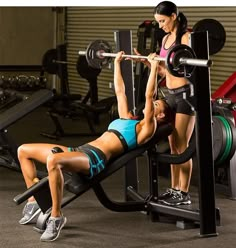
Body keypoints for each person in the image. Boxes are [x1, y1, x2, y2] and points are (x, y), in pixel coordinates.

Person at [17, 51, 172, 242]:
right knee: (23, 150)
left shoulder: (147, 129)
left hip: (96, 159)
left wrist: (154, 66)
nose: (152, 105)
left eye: (157, 105)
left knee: (53, 161)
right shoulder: (127, 119)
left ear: (161, 116)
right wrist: (117, 63)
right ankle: (34, 202)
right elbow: (120, 91)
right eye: (155, 104)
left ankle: (56, 217)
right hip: (81, 150)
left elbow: (149, 95)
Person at [133, 1, 195, 206]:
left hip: (187, 96)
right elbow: (165, 71)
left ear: (174, 16)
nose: (160, 25)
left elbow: (194, 70)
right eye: (158, 21)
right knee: (172, 146)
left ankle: (183, 193)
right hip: (170, 95)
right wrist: (146, 62)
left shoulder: (187, 38)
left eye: (163, 20)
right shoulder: (166, 39)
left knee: (181, 146)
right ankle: (174, 189)